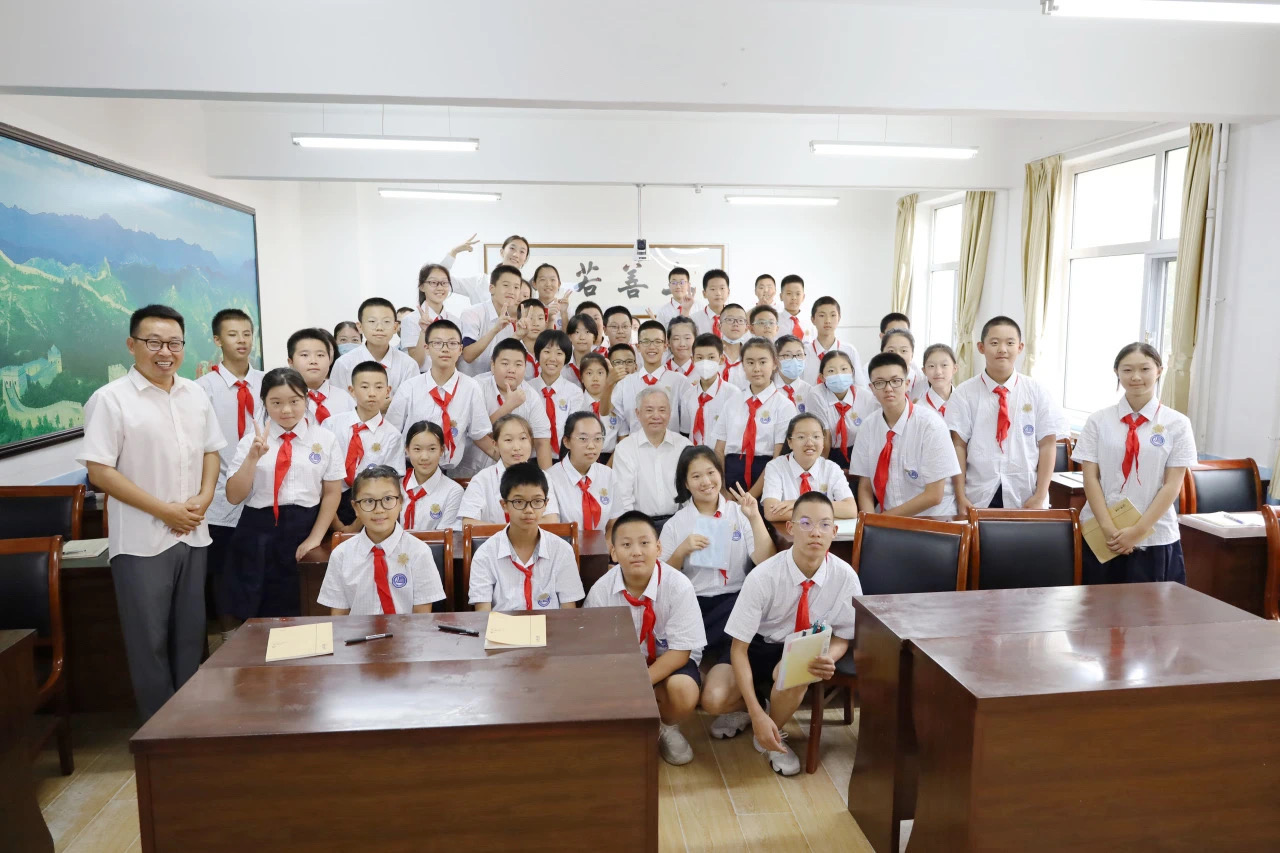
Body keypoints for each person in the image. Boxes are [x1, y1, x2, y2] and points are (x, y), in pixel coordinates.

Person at [80, 304, 226, 721]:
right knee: (149, 642)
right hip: (142, 541)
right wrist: (166, 511)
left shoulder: (194, 394)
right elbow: (100, 472)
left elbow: (211, 451)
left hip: (193, 533)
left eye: (174, 343)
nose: (165, 352)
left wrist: (204, 495)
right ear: (132, 345)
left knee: (190, 635)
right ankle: (159, 731)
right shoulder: (110, 400)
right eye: (154, 342)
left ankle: (190, 722)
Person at [724, 492, 862, 776]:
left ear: (835, 532)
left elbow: (843, 635)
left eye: (825, 525)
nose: (816, 532)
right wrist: (756, 714)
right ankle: (758, 712)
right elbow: (738, 649)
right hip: (757, 648)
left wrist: (830, 657)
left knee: (797, 671)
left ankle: (772, 737)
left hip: (801, 649)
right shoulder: (763, 576)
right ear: (790, 528)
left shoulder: (846, 577)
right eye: (806, 523)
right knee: (714, 698)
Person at [659, 448, 774, 740]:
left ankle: (753, 706)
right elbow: (660, 580)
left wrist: (754, 517)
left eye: (711, 473)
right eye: (696, 476)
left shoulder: (739, 512)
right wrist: (681, 551)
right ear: (685, 483)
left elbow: (766, 561)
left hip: (734, 606)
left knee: (713, 698)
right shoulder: (676, 523)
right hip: (691, 608)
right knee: (690, 689)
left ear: (720, 474)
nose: (705, 481)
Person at [586, 511, 707, 766]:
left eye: (644, 543)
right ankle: (632, 725)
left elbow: (681, 652)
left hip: (668, 663)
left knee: (683, 690)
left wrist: (641, 683)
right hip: (624, 666)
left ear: (658, 547)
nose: (636, 552)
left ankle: (667, 726)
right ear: (613, 552)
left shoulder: (679, 586)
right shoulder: (601, 592)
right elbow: (595, 649)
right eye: (626, 545)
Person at [225, 367, 343, 619]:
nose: (286, 410)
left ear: (306, 399)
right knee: (258, 612)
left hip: (306, 528)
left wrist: (315, 538)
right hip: (258, 533)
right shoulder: (251, 441)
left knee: (304, 606)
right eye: (276, 402)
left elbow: (332, 493)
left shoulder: (325, 439)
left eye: (294, 401)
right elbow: (234, 496)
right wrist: (252, 458)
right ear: (264, 402)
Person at [1073, 343, 1195, 585]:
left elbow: (1172, 485)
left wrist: (1138, 531)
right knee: (1097, 605)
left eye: (1145, 369)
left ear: (1159, 371)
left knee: (1152, 607)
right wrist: (1108, 528)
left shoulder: (1177, 423)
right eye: (1127, 370)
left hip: (1154, 536)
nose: (1136, 377)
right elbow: (1090, 478)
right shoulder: (1098, 421)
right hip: (1102, 535)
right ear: (1116, 372)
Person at [946, 316, 1066, 511]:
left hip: (1026, 493)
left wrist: (1040, 495)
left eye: (1010, 343)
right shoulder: (964, 393)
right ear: (981, 347)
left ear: (1020, 347)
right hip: (978, 493)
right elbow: (959, 446)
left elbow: (1048, 444)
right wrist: (960, 497)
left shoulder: (1037, 391)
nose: (1002, 349)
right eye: (994, 343)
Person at [195, 308, 264, 634]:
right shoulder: (202, 388)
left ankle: (261, 637)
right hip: (219, 498)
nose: (242, 341)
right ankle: (228, 639)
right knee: (223, 574)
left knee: (259, 570)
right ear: (217, 340)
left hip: (261, 494)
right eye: (233, 334)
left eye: (247, 334)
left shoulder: (267, 382)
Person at [318, 465, 447, 615]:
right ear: (355, 508)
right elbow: (339, 617)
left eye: (388, 499)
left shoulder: (419, 552)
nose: (379, 509)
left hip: (406, 630)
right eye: (368, 501)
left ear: (400, 502)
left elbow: (422, 617)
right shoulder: (341, 555)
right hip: (357, 630)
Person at [850, 353, 959, 517]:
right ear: (871, 388)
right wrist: (869, 522)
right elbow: (865, 485)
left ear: (907, 384)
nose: (888, 388)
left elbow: (935, 495)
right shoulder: (867, 427)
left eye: (895, 381)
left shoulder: (931, 425)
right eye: (880, 383)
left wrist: (883, 521)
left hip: (934, 518)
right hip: (887, 516)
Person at [468, 461, 582, 610]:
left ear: (546, 504)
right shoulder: (485, 554)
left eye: (537, 501)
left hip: (551, 624)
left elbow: (569, 612)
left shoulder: (562, 550)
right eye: (519, 502)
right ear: (504, 505)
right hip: (502, 625)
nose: (529, 510)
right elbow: (483, 615)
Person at [386, 319, 495, 472]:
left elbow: (479, 434)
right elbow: (390, 434)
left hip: (445, 471)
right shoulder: (409, 388)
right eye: (437, 343)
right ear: (427, 348)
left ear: (460, 349)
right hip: (409, 468)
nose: (445, 349)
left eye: (452, 343)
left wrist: (509, 462)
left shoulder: (470, 387)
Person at [326, 362, 406, 531]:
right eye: (364, 387)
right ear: (352, 390)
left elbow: (387, 485)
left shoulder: (392, 436)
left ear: (388, 391)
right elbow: (321, 475)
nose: (372, 393)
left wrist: (354, 527)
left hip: (370, 507)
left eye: (379, 387)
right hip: (329, 505)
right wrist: (334, 523)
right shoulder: (331, 425)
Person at [713, 337, 797, 495]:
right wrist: (723, 490)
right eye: (750, 362)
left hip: (767, 479)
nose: (756, 368)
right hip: (730, 479)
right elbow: (719, 449)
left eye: (763, 362)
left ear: (774, 364)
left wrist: (751, 496)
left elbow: (778, 456)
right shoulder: (732, 403)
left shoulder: (785, 406)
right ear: (743, 365)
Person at [458, 337, 554, 474]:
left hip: (514, 474)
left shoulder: (531, 396)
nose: (511, 370)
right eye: (505, 363)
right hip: (469, 472)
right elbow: (476, 431)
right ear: (493, 365)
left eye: (518, 365)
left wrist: (547, 480)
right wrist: (507, 407)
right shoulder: (476, 387)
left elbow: (542, 441)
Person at [611, 387, 693, 527]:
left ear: (670, 413)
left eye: (662, 410)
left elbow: (692, 491)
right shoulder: (625, 448)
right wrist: (633, 528)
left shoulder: (684, 445)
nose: (656, 416)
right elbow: (623, 498)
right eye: (649, 410)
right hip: (640, 524)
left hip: (679, 523)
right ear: (638, 413)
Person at [459, 415, 560, 526]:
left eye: (523, 438)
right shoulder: (482, 479)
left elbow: (551, 521)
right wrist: (509, 532)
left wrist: (514, 530)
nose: (516, 447)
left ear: (531, 441)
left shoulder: (543, 477)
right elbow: (468, 523)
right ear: (495, 444)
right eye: (508, 440)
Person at [762, 413, 858, 521]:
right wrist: (826, 513)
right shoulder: (775, 467)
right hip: (789, 531)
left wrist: (799, 504)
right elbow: (771, 512)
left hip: (824, 531)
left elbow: (851, 510)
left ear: (823, 441)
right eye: (801, 437)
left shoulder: (832, 468)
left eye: (816, 436)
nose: (809, 443)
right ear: (790, 442)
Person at [610, 320, 694, 438]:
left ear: (665, 346)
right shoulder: (626, 383)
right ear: (638, 347)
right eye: (646, 342)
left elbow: (686, 425)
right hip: (635, 447)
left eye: (657, 342)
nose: (652, 347)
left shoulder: (680, 381)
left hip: (671, 446)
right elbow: (617, 421)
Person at [546, 411, 619, 532]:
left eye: (597, 439)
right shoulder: (550, 478)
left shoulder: (609, 475)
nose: (591, 446)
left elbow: (614, 525)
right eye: (583, 439)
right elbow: (551, 529)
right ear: (566, 441)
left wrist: (603, 544)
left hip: (603, 543)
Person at [331, 298, 420, 395]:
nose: (379, 328)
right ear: (360, 327)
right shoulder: (344, 364)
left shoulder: (408, 365)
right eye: (372, 321)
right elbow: (338, 401)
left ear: (395, 327)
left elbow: (412, 401)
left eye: (386, 321)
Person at [804, 350, 874, 470]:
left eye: (844, 369)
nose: (839, 375)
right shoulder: (816, 395)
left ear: (852, 372)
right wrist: (821, 471)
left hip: (858, 453)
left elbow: (870, 436)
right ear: (822, 377)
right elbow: (824, 436)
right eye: (831, 371)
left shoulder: (865, 397)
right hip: (826, 452)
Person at [459, 263, 523, 377]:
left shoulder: (509, 324)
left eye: (516, 287)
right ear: (491, 288)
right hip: (468, 383)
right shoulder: (472, 313)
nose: (512, 291)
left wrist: (517, 336)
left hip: (493, 383)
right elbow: (468, 355)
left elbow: (500, 359)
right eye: (506, 285)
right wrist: (494, 330)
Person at [400, 421, 464, 532]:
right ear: (407, 450)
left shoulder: (453, 491)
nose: (424, 457)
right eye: (417, 449)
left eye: (432, 449)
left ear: (442, 450)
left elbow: (444, 537)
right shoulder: (396, 486)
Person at [683, 333, 743, 444]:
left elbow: (737, 433)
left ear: (721, 359)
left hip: (722, 453)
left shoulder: (733, 394)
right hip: (693, 452)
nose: (705, 362)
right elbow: (686, 432)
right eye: (700, 358)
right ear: (692, 360)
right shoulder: (688, 395)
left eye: (711, 357)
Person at [401, 263, 462, 371]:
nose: (440, 287)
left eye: (444, 283)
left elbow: (456, 360)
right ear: (422, 286)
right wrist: (423, 332)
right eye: (433, 282)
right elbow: (415, 364)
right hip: (421, 377)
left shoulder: (455, 321)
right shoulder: (411, 320)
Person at [288, 328, 354, 425]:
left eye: (320, 355)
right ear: (291, 362)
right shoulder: (281, 398)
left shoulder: (344, 398)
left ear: (330, 360)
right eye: (305, 355)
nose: (313, 361)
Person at [442, 233, 531, 305]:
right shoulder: (480, 282)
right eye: (512, 248)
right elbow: (442, 281)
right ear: (502, 252)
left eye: (522, 251)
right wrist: (453, 252)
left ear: (525, 259)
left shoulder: (526, 290)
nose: (516, 254)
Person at [532, 329, 583, 452]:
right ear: (538, 354)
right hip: (530, 456)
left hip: (563, 456)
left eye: (559, 353)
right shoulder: (526, 390)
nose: (552, 358)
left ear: (566, 358)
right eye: (547, 352)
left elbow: (575, 431)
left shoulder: (574, 392)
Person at [805, 296, 866, 386]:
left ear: (839, 318)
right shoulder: (804, 352)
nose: (828, 321)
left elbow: (859, 385)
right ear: (813, 319)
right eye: (822, 315)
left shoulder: (849, 351)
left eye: (833, 315)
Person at [573, 352, 622, 459]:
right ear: (581, 378)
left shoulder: (616, 404)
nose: (595, 378)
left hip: (611, 458)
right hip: (582, 457)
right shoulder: (575, 404)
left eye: (600, 373)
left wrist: (609, 465)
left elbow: (622, 438)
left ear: (608, 376)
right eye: (589, 373)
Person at [880, 327, 928, 401]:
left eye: (903, 351)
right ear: (882, 354)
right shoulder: (876, 381)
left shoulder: (923, 382)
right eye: (891, 351)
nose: (897, 355)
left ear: (912, 355)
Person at [773, 334, 812, 411]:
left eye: (799, 355)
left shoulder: (809, 391)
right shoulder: (769, 387)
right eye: (787, 355)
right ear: (776, 359)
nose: (795, 360)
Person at [717, 304, 751, 388]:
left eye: (740, 320)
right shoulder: (711, 354)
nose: (735, 324)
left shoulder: (751, 356)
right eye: (730, 319)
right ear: (719, 326)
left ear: (746, 328)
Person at [515, 298, 549, 379]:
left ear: (546, 323)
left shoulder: (551, 352)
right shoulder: (512, 349)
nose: (536, 323)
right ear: (518, 321)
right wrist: (516, 336)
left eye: (540, 318)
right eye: (530, 318)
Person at [920, 343, 958, 416]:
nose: (938, 372)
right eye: (931, 366)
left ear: (954, 368)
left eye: (944, 365)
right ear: (924, 371)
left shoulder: (966, 402)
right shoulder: (920, 410)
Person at [531, 263, 572, 330]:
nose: (548, 284)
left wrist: (564, 313)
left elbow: (569, 335)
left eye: (552, 280)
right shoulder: (529, 307)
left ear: (559, 284)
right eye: (543, 279)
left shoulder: (567, 310)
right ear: (534, 284)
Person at [693, 269, 731, 337]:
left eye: (722, 288)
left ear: (728, 292)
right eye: (713, 289)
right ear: (704, 293)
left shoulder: (736, 318)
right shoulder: (694, 320)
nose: (718, 293)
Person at [777, 274, 813, 343]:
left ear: (803, 297)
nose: (794, 298)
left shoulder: (810, 322)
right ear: (781, 296)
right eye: (789, 293)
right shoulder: (775, 321)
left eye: (798, 294)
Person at [565, 313, 599, 385]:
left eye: (587, 332)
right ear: (569, 336)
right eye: (577, 332)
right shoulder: (562, 364)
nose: (582, 337)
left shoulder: (601, 363)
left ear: (594, 337)